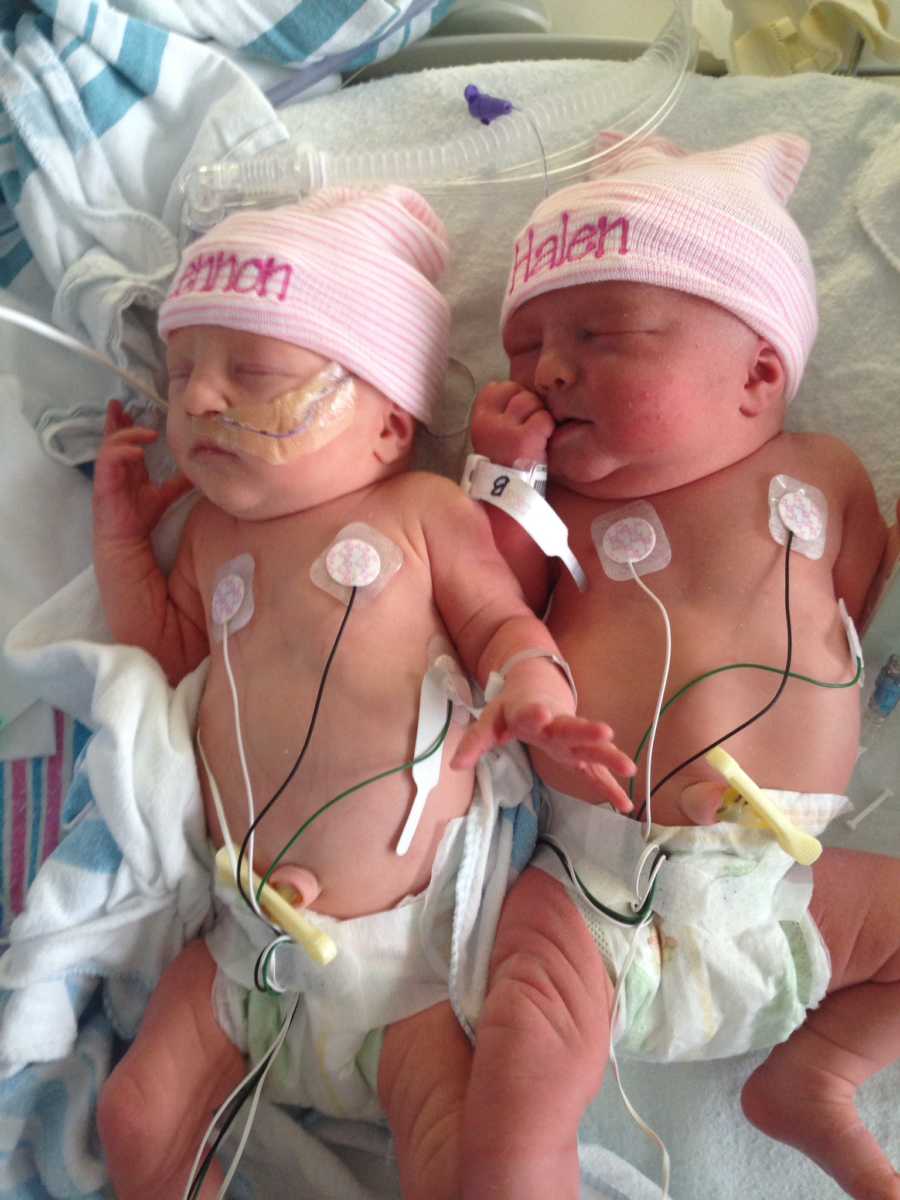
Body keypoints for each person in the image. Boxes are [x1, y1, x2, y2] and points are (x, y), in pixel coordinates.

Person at [90, 186, 636, 1200]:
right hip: (240, 943)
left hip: (402, 969)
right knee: (133, 1117)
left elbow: (501, 624)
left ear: (389, 422)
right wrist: (123, 537)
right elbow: (161, 663)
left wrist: (531, 696)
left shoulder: (422, 513)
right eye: (181, 374)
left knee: (457, 1158)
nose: (200, 399)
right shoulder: (211, 541)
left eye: (251, 373)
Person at [459, 132, 900, 1199]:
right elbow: (487, 602)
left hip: (786, 887)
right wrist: (502, 480)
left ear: (757, 375)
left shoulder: (824, 473)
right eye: (525, 350)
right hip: (591, 881)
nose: (548, 369)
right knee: (519, 1060)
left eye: (601, 337)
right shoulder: (562, 505)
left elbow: (872, 600)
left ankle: (817, 1075)